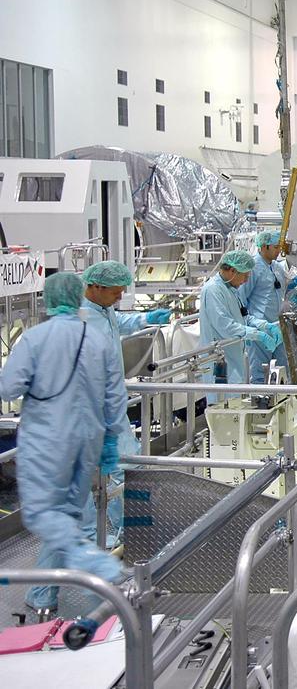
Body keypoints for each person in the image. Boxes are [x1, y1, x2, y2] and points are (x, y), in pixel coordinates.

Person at [0, 273, 129, 618]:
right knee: (69, 513)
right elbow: (115, 396)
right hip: (87, 441)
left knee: (43, 514)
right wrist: (110, 441)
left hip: (47, 441)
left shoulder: (35, 338)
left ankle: (94, 566)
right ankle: (45, 591)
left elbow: (9, 388)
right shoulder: (97, 339)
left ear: (48, 300)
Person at [78, 260, 171, 549]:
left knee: (121, 466)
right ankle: (96, 536)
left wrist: (146, 319)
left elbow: (118, 321)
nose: (120, 297)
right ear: (96, 287)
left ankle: (127, 530)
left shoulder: (102, 309)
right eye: (116, 292)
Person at [200, 250, 274, 400]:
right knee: (222, 405)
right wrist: (256, 334)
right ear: (232, 271)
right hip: (220, 361)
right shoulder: (213, 290)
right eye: (245, 275)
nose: (246, 280)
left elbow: (243, 316)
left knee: (234, 402)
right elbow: (225, 326)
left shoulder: (231, 289)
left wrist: (265, 325)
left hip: (233, 358)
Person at [238, 230, 288, 384]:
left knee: (282, 371)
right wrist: (250, 325)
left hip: (278, 328)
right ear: (264, 247)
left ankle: (280, 397)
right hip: (260, 328)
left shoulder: (277, 267)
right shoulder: (253, 268)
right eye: (276, 247)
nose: (279, 251)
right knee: (260, 372)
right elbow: (241, 299)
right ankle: (260, 396)